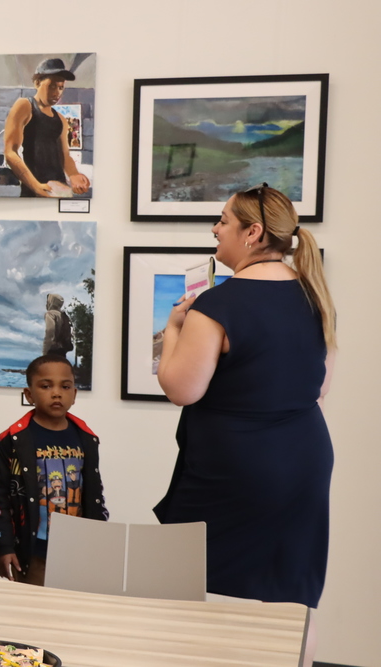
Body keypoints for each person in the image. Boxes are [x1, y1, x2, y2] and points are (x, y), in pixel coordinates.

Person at [154, 185, 336, 656]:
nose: (215, 230)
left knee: (202, 592)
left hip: (234, 469)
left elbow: (180, 388)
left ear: (252, 233)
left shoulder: (218, 305)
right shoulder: (313, 295)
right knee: (293, 594)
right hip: (304, 463)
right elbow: (319, 387)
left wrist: (174, 328)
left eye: (223, 221)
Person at [0, 354, 108, 585]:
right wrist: (1, 546)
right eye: (46, 385)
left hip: (78, 550)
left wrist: (100, 540)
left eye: (65, 386)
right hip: (33, 552)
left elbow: (95, 492)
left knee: (76, 612)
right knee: (34, 614)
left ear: (74, 394)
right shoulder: (12, 440)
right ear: (29, 394)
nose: (56, 393)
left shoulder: (87, 438)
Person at [3, 58, 90, 198]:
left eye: (61, 87)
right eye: (52, 86)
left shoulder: (61, 119)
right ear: (37, 83)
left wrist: (74, 175)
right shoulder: (25, 106)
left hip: (59, 189)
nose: (57, 92)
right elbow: (10, 152)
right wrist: (35, 186)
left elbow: (65, 155)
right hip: (34, 189)